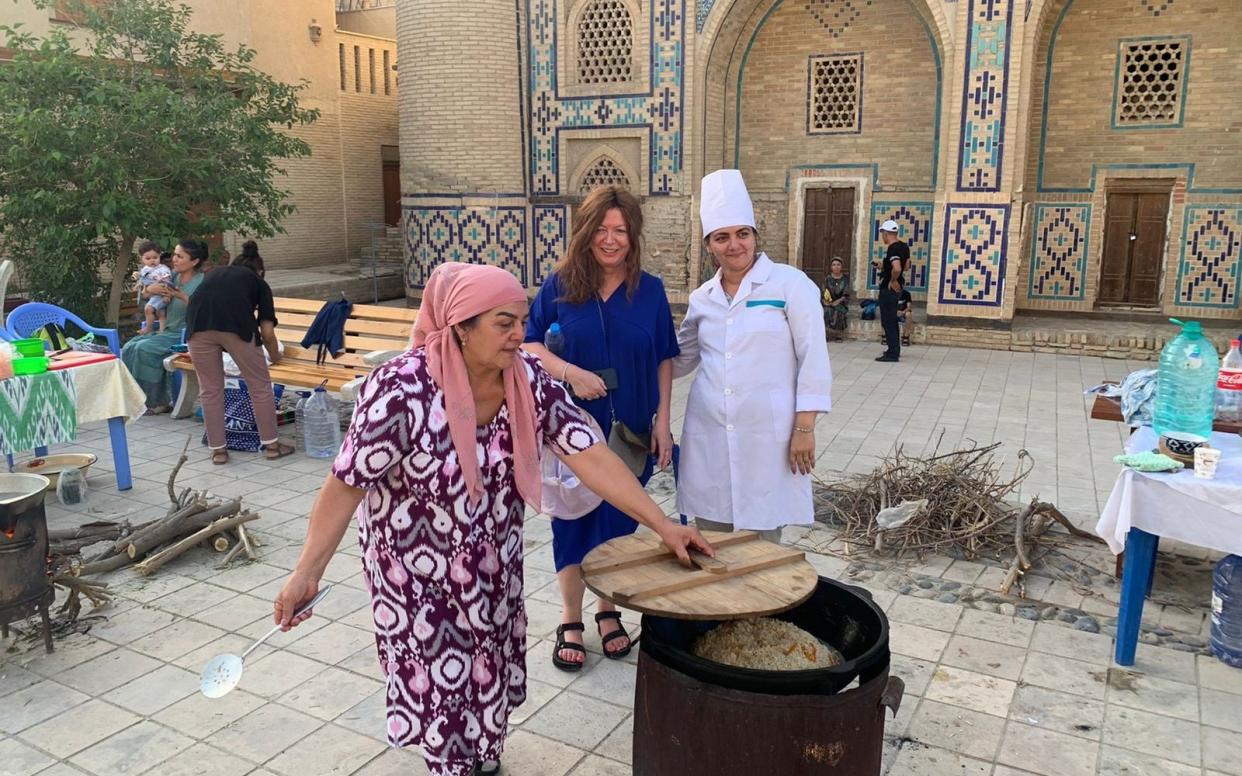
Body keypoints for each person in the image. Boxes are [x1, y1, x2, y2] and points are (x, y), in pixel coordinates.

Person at [272, 262, 710, 776]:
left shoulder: (527, 381)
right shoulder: (401, 391)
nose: (519, 335)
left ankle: (481, 754)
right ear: (460, 326)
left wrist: (664, 525)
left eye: (522, 321)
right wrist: (306, 573)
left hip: (492, 566)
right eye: (503, 323)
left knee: (488, 671)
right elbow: (346, 484)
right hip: (417, 581)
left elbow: (590, 454)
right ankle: (453, 763)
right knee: (444, 690)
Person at [522, 184, 679, 672]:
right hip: (572, 436)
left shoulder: (649, 291)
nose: (611, 240)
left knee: (615, 526)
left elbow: (663, 360)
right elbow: (529, 347)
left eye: (622, 231)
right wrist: (572, 373)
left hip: (630, 432)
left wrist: (664, 423)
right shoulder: (560, 286)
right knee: (572, 525)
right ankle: (571, 617)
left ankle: (606, 608)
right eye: (602, 230)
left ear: (633, 237)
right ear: (586, 232)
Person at [675, 169, 832, 544]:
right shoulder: (702, 299)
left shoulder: (790, 285)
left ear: (754, 235)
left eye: (742, 234)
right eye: (722, 237)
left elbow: (814, 358)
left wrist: (804, 428)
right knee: (712, 543)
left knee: (762, 547)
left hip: (770, 441)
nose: (734, 245)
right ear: (709, 244)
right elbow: (678, 358)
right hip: (709, 435)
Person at [184, 240, 293, 465]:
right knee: (259, 386)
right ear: (260, 270)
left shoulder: (213, 274)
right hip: (237, 329)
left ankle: (218, 451)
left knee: (210, 390)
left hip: (197, 328)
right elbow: (268, 333)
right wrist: (275, 357)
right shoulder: (259, 283)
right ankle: (272, 446)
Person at [120, 239, 207, 414]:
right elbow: (145, 296)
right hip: (165, 330)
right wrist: (149, 289)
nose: (174, 259)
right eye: (174, 254)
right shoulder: (171, 276)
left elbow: (205, 310)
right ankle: (135, 400)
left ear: (195, 261)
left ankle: (157, 402)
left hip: (185, 335)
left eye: (180, 256)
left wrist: (180, 295)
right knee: (129, 347)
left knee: (144, 349)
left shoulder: (203, 282)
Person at [875, 219, 909, 362]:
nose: (882, 236)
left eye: (883, 233)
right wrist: (884, 266)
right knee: (892, 320)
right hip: (897, 288)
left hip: (889, 289)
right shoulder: (904, 246)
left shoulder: (893, 248)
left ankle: (892, 353)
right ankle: (893, 349)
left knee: (888, 320)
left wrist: (892, 280)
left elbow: (898, 268)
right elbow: (906, 265)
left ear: (887, 233)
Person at [133, 241, 172, 335]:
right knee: (160, 313)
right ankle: (162, 331)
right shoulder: (145, 269)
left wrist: (167, 295)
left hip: (161, 295)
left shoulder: (162, 269)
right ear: (141, 258)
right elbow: (143, 284)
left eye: (155, 257)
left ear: (159, 256)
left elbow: (167, 282)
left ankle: (149, 328)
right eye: (148, 258)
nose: (152, 260)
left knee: (148, 309)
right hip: (153, 295)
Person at [822, 256, 850, 341]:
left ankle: (839, 335)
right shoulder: (827, 278)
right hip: (829, 302)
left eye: (838, 265)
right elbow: (824, 291)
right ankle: (826, 334)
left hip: (841, 302)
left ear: (841, 267)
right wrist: (826, 301)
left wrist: (837, 301)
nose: (836, 267)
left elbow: (846, 294)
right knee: (826, 310)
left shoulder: (845, 279)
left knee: (839, 311)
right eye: (834, 265)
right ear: (831, 267)